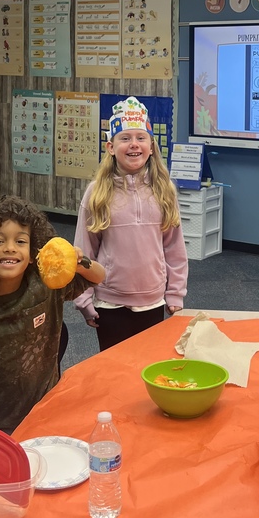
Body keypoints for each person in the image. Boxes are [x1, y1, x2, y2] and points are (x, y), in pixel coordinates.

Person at [0, 195, 104, 433]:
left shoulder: (46, 284)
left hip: (43, 407)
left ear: (32, 254)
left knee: (43, 466)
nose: (9, 247)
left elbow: (99, 276)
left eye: (20, 241)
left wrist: (79, 261)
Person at [73, 96, 188, 351]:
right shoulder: (97, 192)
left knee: (147, 367)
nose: (133, 145)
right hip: (109, 303)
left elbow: (174, 249)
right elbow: (83, 251)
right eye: (125, 138)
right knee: (114, 371)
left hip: (153, 300)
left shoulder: (164, 190)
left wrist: (175, 292)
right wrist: (83, 298)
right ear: (111, 147)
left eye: (140, 138)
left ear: (151, 146)